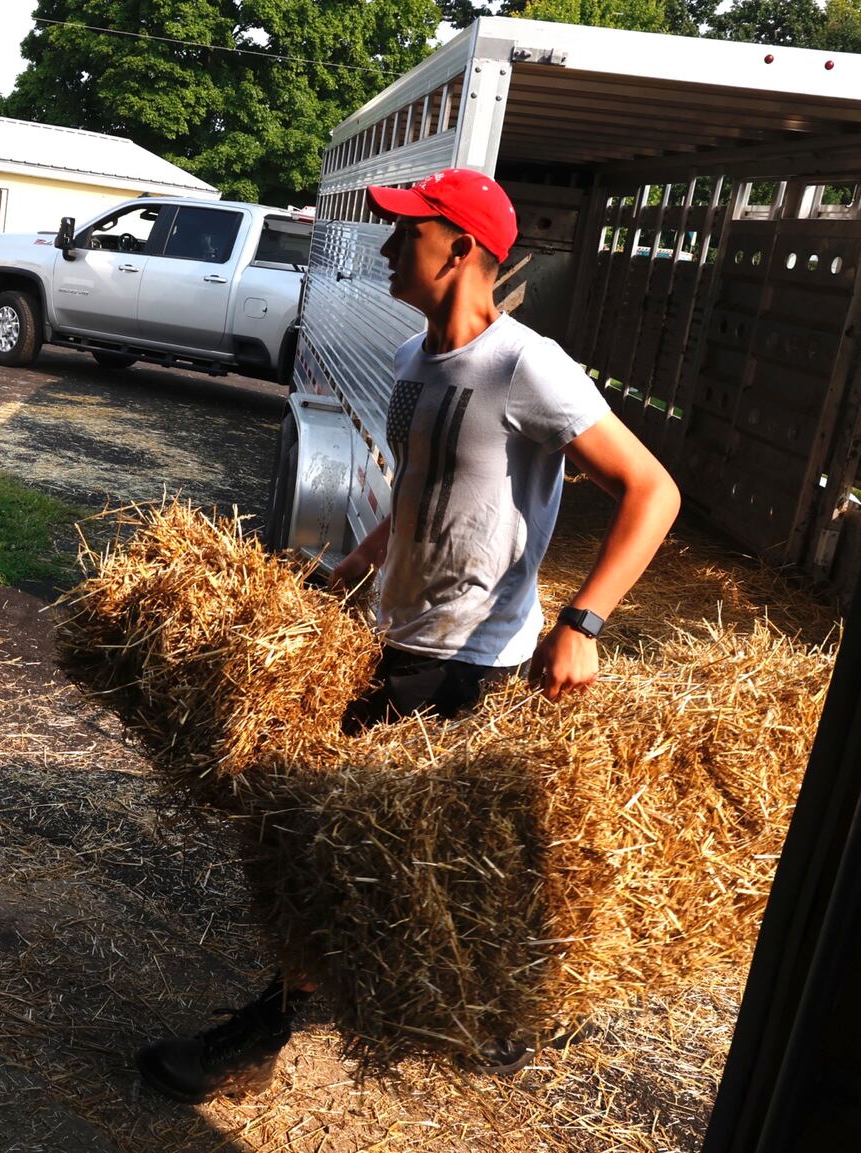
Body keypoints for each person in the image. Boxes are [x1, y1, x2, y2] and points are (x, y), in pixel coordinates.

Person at [135, 169, 681, 1104]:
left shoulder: (525, 365)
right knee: (362, 850)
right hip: (393, 637)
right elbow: (415, 491)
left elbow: (653, 489)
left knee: (348, 853)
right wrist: (350, 571)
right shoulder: (406, 362)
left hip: (468, 659)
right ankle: (483, 1017)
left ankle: (275, 1035)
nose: (388, 248)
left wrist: (582, 622)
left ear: (461, 248)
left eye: (408, 232)